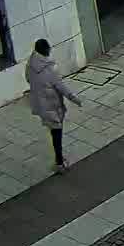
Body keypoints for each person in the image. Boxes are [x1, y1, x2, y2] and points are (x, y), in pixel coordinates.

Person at [25, 39, 82, 173]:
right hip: (52, 105)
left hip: (41, 103)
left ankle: (59, 160)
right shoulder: (49, 68)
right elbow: (60, 86)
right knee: (57, 132)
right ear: (45, 50)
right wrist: (75, 99)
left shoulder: (31, 64)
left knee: (54, 131)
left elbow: (28, 78)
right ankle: (59, 162)